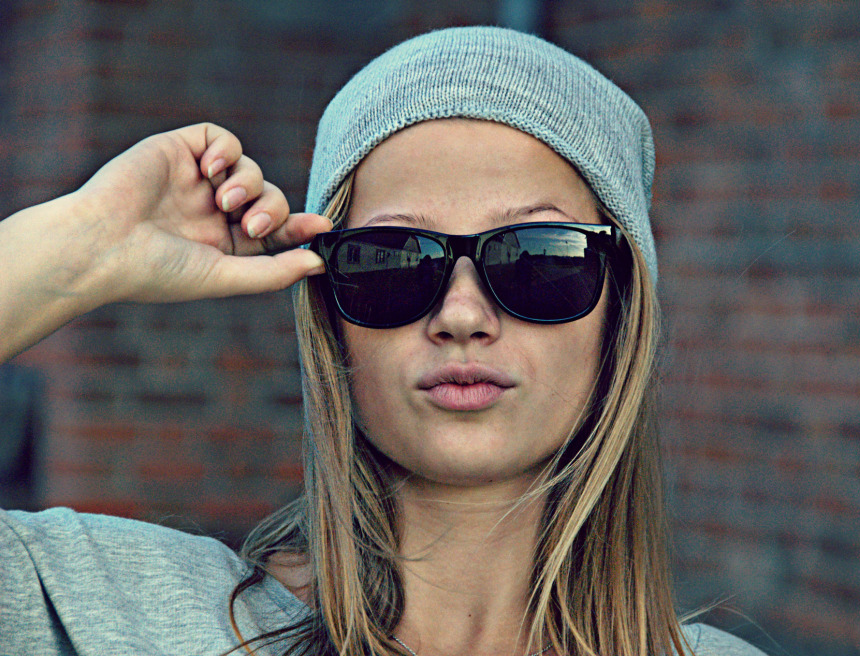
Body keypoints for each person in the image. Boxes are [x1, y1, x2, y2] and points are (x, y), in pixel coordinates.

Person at [0, 27, 767, 656]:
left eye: (538, 257)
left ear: (622, 311)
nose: (462, 315)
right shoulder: (111, 614)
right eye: (394, 260)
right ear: (326, 314)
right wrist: (81, 245)